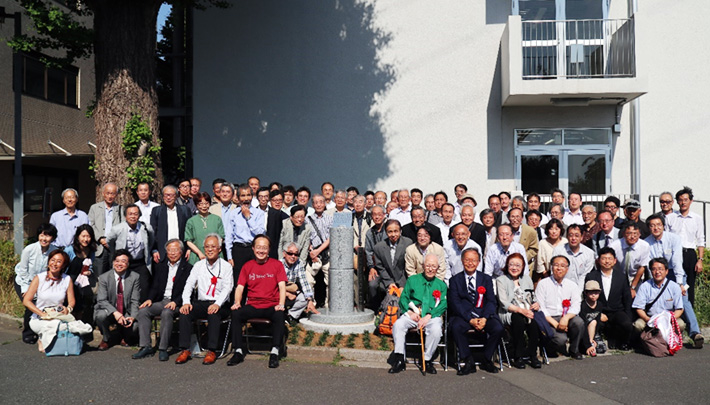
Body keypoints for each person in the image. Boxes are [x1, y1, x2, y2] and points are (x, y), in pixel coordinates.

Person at [228, 235, 287, 369]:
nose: (261, 251)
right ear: (253, 248)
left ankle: (275, 351)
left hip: (271, 305)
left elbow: (282, 286)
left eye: (264, 248)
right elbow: (240, 287)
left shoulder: (277, 265)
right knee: (236, 313)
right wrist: (237, 302)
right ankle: (238, 351)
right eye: (258, 247)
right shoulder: (247, 266)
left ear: (269, 250)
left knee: (279, 315)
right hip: (253, 305)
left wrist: (281, 304)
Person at [645, 214, 704, 347]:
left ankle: (695, 333)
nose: (656, 228)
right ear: (649, 227)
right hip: (657, 274)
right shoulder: (647, 242)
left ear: (664, 226)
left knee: (683, 299)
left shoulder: (674, 239)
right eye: (652, 225)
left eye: (659, 225)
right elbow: (650, 266)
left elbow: (677, 261)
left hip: (673, 272)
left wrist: (679, 284)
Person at [175, 234, 233, 365]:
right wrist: (186, 302)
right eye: (207, 247)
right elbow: (189, 284)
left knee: (213, 313)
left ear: (219, 249)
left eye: (213, 246)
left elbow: (227, 288)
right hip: (201, 302)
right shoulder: (198, 265)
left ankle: (212, 350)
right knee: (185, 312)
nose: (210, 249)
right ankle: (185, 349)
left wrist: (217, 304)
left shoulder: (226, 266)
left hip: (220, 304)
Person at [133, 239, 193, 361]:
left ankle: (163, 348)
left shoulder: (188, 268)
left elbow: (187, 290)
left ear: (181, 251)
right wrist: (149, 299)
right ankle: (145, 346)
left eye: (175, 250)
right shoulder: (161, 266)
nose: (172, 253)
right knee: (143, 311)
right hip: (162, 300)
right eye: (169, 250)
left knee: (167, 312)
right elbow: (155, 286)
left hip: (178, 302)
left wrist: (176, 302)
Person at [388, 254, 448, 374]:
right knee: (398, 325)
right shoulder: (412, 280)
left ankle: (427, 359)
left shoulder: (441, 285)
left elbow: (443, 304)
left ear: (438, 268)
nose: (430, 269)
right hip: (413, 313)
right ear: (423, 266)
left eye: (433, 266)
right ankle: (399, 359)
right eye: (428, 265)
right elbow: (404, 298)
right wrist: (410, 312)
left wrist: (428, 316)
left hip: (431, 315)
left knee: (436, 329)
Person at [449, 248, 503, 375]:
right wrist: (470, 319)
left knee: (498, 328)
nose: (470, 263)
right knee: (456, 327)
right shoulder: (455, 280)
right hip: (465, 316)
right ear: (462, 261)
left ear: (479, 262)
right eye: (467, 260)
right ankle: (468, 360)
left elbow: (491, 301)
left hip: (483, 315)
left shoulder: (486, 279)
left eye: (473, 260)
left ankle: (486, 359)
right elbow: (455, 303)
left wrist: (484, 318)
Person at [22, 250, 77, 352]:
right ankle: (42, 338)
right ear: (48, 262)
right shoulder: (39, 278)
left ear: (63, 265)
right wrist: (41, 314)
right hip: (39, 318)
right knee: (53, 325)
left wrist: (68, 309)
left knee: (65, 324)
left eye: (59, 261)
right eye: (52, 260)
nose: (54, 264)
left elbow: (72, 301)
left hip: (57, 316)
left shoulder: (67, 279)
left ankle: (47, 338)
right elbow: (26, 301)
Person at [14, 223, 59, 344]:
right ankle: (27, 334)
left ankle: (41, 331)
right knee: (31, 304)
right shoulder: (29, 249)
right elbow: (22, 271)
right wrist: (25, 290)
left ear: (53, 238)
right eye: (42, 235)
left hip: (41, 283)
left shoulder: (54, 251)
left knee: (44, 304)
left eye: (48, 236)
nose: (44, 239)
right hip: (24, 281)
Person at [496, 253, 541, 369]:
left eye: (518, 265)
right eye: (511, 265)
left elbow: (532, 297)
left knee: (534, 324)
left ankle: (532, 354)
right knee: (518, 320)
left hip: (527, 311)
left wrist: (536, 304)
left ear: (522, 267)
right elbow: (504, 303)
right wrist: (521, 311)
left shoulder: (527, 279)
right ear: (507, 266)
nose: (514, 268)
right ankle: (518, 356)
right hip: (509, 312)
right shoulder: (501, 280)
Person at [535, 255, 584, 359]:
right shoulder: (543, 284)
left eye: (562, 266)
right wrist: (556, 324)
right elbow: (541, 307)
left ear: (567, 269)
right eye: (556, 265)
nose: (559, 268)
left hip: (566, 317)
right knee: (560, 340)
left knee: (579, 322)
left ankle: (574, 350)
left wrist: (565, 318)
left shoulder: (572, 285)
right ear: (551, 267)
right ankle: (550, 348)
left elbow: (576, 306)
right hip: (549, 318)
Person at [584, 247, 633, 350]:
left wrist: (628, 315)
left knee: (626, 324)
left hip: (616, 310)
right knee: (595, 323)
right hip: (599, 311)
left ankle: (623, 343)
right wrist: (597, 312)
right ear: (598, 260)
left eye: (610, 258)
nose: (607, 261)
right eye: (604, 258)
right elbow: (587, 297)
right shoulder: (591, 276)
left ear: (615, 261)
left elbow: (627, 298)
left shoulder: (621, 276)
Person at [106, 204, 154, 302]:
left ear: (139, 216)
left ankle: (141, 311)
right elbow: (109, 241)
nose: (133, 216)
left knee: (144, 286)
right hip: (124, 263)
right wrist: (116, 253)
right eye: (130, 214)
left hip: (140, 262)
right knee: (124, 286)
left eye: (135, 214)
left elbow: (152, 240)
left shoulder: (145, 227)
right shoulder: (117, 229)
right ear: (125, 216)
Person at [94, 249, 141, 350]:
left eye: (123, 261)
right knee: (100, 315)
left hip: (126, 311)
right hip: (110, 311)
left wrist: (132, 317)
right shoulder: (104, 277)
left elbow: (135, 300)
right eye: (117, 261)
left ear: (128, 264)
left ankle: (124, 336)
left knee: (135, 326)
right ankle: (106, 339)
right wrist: (115, 313)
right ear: (113, 262)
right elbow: (101, 300)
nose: (119, 264)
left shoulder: (134, 277)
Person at [666, 186, 705, 306]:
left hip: (689, 254)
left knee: (689, 284)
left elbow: (700, 240)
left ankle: (688, 312)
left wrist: (700, 259)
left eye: (686, 199)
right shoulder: (670, 218)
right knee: (672, 282)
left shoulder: (697, 218)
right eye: (680, 200)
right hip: (673, 254)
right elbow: (666, 238)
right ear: (677, 202)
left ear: (691, 201)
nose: (683, 202)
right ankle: (672, 312)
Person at [225, 184, 265, 283]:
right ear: (238, 198)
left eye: (248, 195)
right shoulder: (233, 213)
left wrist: (248, 217)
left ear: (252, 196)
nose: (246, 198)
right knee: (239, 280)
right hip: (238, 249)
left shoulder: (259, 213)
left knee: (254, 279)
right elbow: (229, 236)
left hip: (253, 249)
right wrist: (229, 256)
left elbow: (260, 233)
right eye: (243, 196)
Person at [631, 258, 685, 333]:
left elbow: (679, 309)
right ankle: (644, 342)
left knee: (680, 324)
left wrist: (668, 320)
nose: (657, 272)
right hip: (650, 318)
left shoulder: (674, 287)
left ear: (666, 271)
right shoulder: (645, 286)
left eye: (660, 269)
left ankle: (673, 342)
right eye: (654, 269)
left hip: (668, 318)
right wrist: (648, 319)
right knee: (638, 325)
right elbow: (639, 308)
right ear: (651, 271)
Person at [64, 224, 98, 327]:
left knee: (86, 304)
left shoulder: (91, 251)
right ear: (78, 236)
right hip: (69, 281)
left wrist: (89, 272)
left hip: (83, 282)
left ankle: (83, 329)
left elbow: (90, 265)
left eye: (88, 236)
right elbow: (63, 267)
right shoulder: (69, 250)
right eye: (83, 236)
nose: (86, 239)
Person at [88, 183, 124, 276]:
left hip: (114, 247)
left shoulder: (120, 209)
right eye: (107, 193)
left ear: (116, 195)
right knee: (99, 276)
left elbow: (123, 227)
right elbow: (91, 225)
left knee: (114, 275)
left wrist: (111, 241)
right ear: (103, 193)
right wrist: (101, 239)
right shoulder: (94, 208)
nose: (110, 196)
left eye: (112, 193)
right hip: (99, 247)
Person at [150, 185, 191, 264]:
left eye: (171, 195)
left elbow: (189, 231)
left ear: (176, 196)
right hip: (162, 253)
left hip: (181, 251)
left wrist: (189, 249)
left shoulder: (184, 210)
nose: (168, 198)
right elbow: (153, 232)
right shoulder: (156, 211)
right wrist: (154, 250)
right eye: (166, 195)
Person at [281, 242, 318, 324]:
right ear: (284, 254)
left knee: (304, 298)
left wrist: (310, 300)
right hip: (279, 293)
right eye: (290, 253)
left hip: (291, 292)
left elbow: (304, 281)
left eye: (296, 254)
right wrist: (286, 294)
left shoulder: (299, 263)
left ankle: (290, 316)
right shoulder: (278, 264)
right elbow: (273, 286)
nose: (293, 256)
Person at [609, 222, 650, 296]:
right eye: (629, 233)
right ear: (624, 234)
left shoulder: (645, 246)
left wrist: (633, 287)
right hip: (618, 275)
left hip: (635, 276)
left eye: (635, 234)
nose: (632, 237)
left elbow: (642, 267)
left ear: (639, 235)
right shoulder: (614, 246)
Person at [185, 192, 226, 265]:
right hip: (197, 256)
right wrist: (199, 253)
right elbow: (188, 240)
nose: (204, 206)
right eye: (200, 204)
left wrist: (214, 251)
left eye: (206, 203)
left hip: (215, 255)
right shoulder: (191, 221)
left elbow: (221, 237)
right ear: (196, 205)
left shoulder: (217, 219)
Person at [373, 220, 413, 292]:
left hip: (404, 279)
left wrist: (402, 285)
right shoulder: (379, 247)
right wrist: (389, 283)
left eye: (396, 231)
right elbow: (381, 268)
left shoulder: (408, 243)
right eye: (390, 232)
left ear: (400, 231)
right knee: (374, 286)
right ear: (386, 232)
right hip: (387, 279)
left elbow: (408, 266)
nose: (393, 234)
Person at [306, 195, 333, 302]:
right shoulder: (307, 219)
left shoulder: (330, 218)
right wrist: (312, 251)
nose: (319, 204)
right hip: (312, 255)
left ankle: (329, 303)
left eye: (321, 202)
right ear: (312, 205)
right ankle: (310, 303)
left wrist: (318, 251)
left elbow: (331, 237)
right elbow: (306, 237)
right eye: (316, 202)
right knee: (309, 280)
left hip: (326, 253)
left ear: (324, 203)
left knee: (331, 280)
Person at [552, 224, 595, 289]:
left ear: (582, 237)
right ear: (567, 236)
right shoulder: (558, 251)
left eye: (577, 236)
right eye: (571, 235)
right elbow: (554, 273)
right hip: (560, 288)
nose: (573, 238)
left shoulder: (589, 253)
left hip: (580, 289)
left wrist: (577, 293)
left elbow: (584, 276)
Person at [365, 205, 387, 309]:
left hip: (389, 267)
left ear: (384, 215)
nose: (377, 217)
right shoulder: (370, 232)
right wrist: (371, 267)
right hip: (376, 267)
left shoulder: (388, 230)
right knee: (372, 285)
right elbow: (368, 251)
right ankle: (375, 310)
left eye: (379, 214)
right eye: (374, 215)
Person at [579, 280, 607, 357]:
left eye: (596, 293)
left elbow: (597, 322)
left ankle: (592, 342)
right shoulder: (583, 306)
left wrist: (593, 337)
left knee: (602, 349)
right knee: (592, 322)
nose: (593, 295)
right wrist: (588, 342)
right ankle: (589, 345)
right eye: (591, 293)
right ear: (586, 293)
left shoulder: (599, 305)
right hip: (583, 332)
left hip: (593, 331)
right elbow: (583, 325)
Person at [266, 189, 290, 259]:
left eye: (280, 200)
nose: (277, 203)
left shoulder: (286, 217)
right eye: (274, 200)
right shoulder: (265, 215)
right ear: (270, 201)